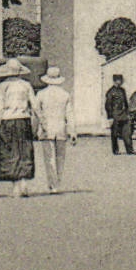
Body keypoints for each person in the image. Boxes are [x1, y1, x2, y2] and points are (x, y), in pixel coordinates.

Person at [0, 59, 38, 197]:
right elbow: (34, 105)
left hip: (7, 120)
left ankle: (15, 187)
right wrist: (40, 122)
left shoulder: (3, 86)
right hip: (23, 119)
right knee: (24, 151)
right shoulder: (26, 85)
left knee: (10, 151)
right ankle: (24, 183)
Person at [33, 66, 76, 194]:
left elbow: (36, 113)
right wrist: (72, 132)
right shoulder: (65, 95)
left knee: (49, 157)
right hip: (61, 128)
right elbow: (70, 115)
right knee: (60, 157)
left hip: (47, 129)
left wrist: (34, 129)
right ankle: (58, 182)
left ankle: (52, 184)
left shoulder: (41, 94)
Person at [104, 73, 136, 155]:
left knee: (127, 132)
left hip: (123, 114)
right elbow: (107, 105)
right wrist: (110, 117)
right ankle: (115, 150)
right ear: (115, 81)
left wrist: (128, 113)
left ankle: (130, 150)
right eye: (119, 80)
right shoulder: (110, 92)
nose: (121, 82)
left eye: (121, 80)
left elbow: (125, 103)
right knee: (114, 133)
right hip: (115, 115)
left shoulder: (122, 90)